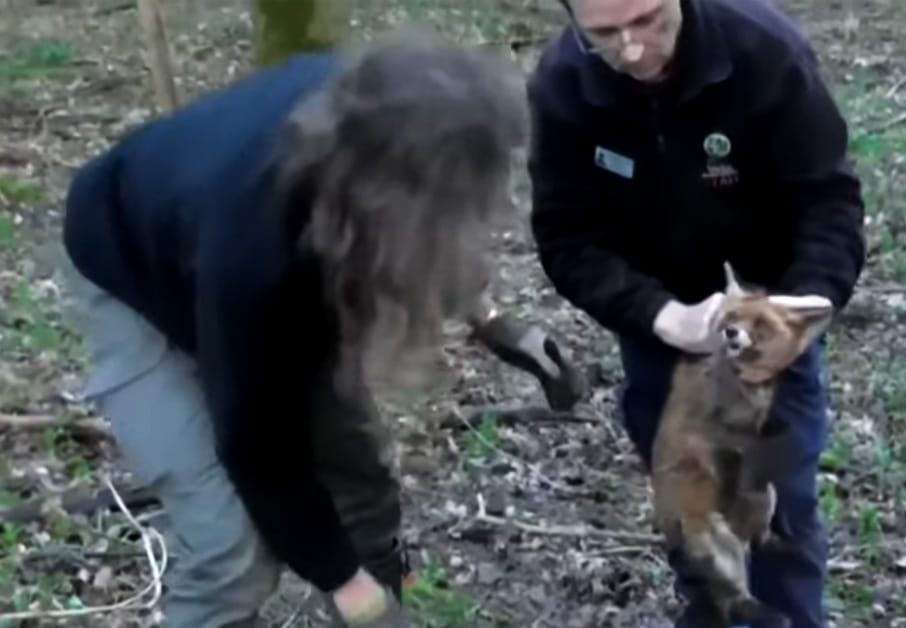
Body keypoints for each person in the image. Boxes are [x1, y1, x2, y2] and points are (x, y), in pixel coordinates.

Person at [60, 31, 585, 628]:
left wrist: (492, 321)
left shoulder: (373, 111)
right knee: (227, 550)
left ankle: (379, 594)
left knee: (359, 476)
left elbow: (434, 226)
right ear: (388, 196)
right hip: (128, 265)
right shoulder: (253, 260)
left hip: (244, 249)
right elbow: (258, 452)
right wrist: (346, 586)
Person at [525, 0, 866, 626]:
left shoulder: (764, 54)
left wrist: (809, 301)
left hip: (770, 326)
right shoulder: (565, 85)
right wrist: (661, 315)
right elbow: (567, 238)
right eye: (604, 34)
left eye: (650, 20)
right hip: (661, 329)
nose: (631, 50)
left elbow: (829, 200)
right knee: (691, 510)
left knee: (775, 519)